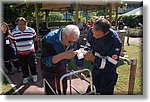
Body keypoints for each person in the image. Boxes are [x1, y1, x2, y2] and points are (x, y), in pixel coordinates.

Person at [82, 18, 122, 95]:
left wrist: (93, 59)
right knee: (92, 90)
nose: (93, 36)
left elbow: (111, 64)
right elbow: (89, 43)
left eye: (97, 35)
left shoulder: (115, 41)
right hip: (96, 70)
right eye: (93, 33)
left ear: (106, 33)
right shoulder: (92, 31)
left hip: (107, 74)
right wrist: (85, 50)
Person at [41, 25, 81, 95]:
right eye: (70, 42)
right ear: (63, 35)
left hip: (62, 68)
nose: (72, 44)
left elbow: (78, 53)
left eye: (74, 41)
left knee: (63, 89)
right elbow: (46, 61)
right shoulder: (48, 39)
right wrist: (63, 55)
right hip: (48, 70)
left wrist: (79, 71)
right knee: (50, 91)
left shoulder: (73, 38)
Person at [11, 17, 38, 84]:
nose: (21, 25)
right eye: (19, 24)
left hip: (30, 51)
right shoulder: (14, 32)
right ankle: (26, 77)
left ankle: (34, 75)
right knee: (23, 66)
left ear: (26, 23)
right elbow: (12, 40)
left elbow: (35, 38)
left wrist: (30, 45)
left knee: (32, 64)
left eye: (23, 24)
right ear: (17, 24)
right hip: (20, 53)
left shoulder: (31, 30)